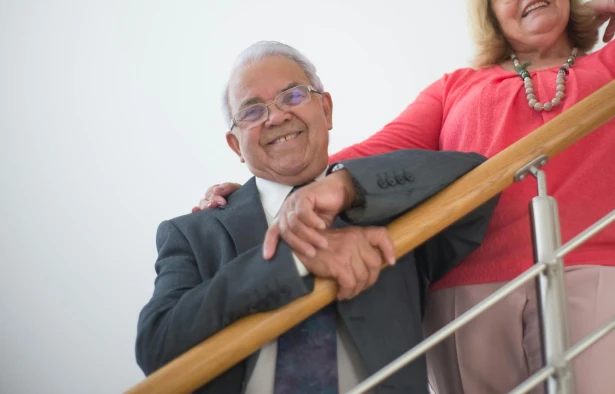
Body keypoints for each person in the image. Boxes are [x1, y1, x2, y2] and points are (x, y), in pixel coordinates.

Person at [196, 0, 615, 394]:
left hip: (604, 265)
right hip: (468, 290)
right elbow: (364, 157)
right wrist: (255, 186)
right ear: (491, 12)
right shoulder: (456, 89)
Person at [137, 41, 498, 394]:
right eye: (252, 111)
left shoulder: (395, 209)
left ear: (325, 109)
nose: (276, 116)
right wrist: (296, 259)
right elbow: (156, 347)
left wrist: (347, 186)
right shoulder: (193, 232)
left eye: (292, 96)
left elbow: (480, 183)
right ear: (235, 146)